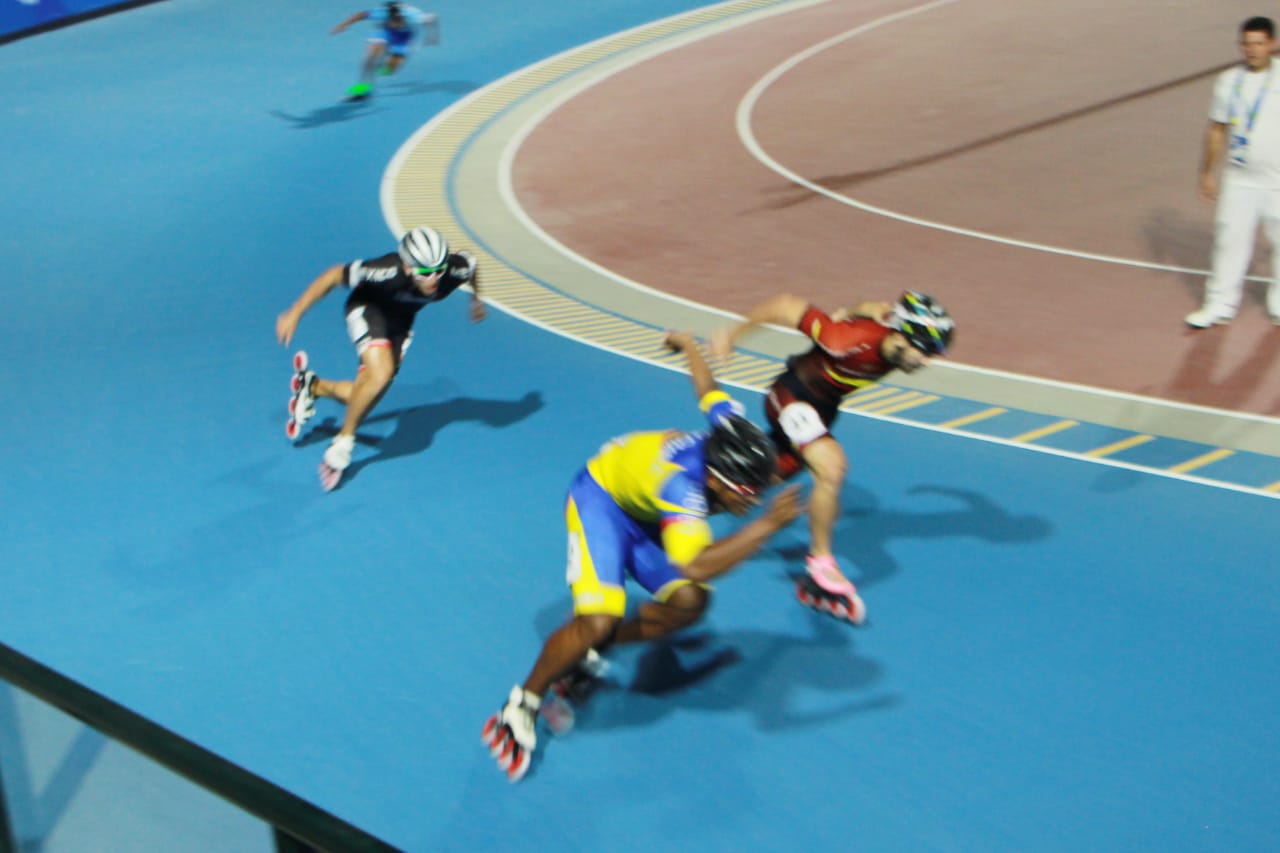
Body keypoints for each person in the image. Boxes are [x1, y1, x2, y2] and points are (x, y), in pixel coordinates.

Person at [482, 331, 804, 783]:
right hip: (600, 501)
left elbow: (709, 392)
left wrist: (689, 346)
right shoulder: (684, 488)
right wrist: (766, 526)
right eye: (747, 492)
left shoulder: (728, 430)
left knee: (690, 602)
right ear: (716, 480)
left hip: (645, 509)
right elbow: (697, 563)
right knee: (597, 619)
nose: (754, 498)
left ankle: (599, 650)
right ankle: (523, 703)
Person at [711, 291, 954, 625]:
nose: (926, 362)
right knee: (832, 468)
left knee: (755, 481)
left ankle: (690, 501)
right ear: (901, 336)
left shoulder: (886, 327)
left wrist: (852, 308)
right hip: (791, 397)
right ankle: (821, 563)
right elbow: (783, 304)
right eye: (925, 351)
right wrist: (731, 335)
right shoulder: (844, 340)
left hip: (822, 411)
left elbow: (874, 307)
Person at [275, 226, 486, 492]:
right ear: (408, 268)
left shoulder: (453, 271)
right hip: (367, 309)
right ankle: (343, 442)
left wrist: (476, 301)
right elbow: (332, 276)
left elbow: (472, 264)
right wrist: (294, 313)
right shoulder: (385, 270)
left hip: (401, 322)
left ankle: (313, 386)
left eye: (439, 269)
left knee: (366, 396)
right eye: (425, 272)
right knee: (380, 374)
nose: (434, 278)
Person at [1187, 16, 1280, 328]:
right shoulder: (1228, 81)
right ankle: (1220, 304)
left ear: (1272, 44)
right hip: (1240, 179)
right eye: (1246, 43)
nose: (1251, 50)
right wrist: (1206, 173)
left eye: (1258, 43)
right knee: (1229, 240)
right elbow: (1217, 129)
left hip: (1277, 181)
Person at [331, 2, 440, 101]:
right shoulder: (382, 14)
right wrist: (344, 24)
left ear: (403, 19)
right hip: (386, 32)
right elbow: (362, 14)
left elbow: (433, 19)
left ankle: (379, 69)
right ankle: (363, 86)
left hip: (404, 38)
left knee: (390, 70)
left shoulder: (415, 17)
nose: (396, 24)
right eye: (393, 21)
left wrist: (432, 36)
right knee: (370, 56)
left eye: (398, 22)